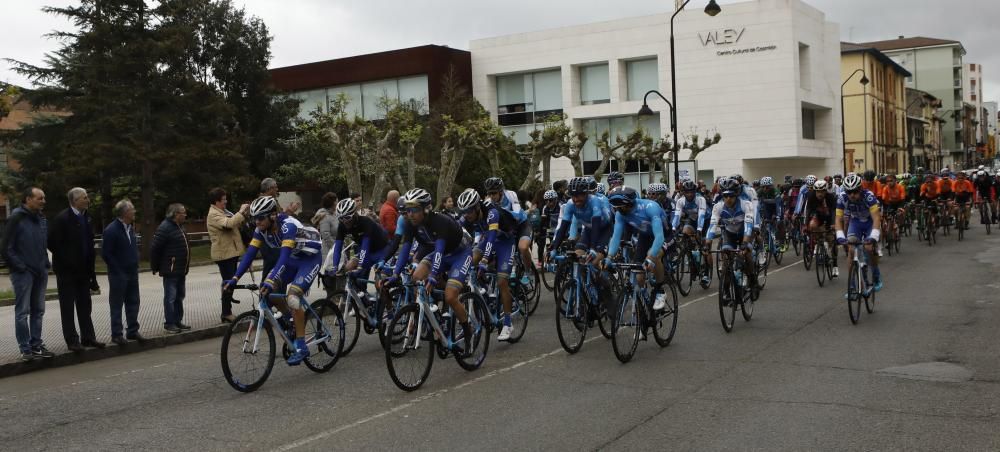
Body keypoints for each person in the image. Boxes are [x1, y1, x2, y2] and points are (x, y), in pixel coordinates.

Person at [224, 196, 323, 365]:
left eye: (260, 217)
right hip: (293, 258)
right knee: (269, 292)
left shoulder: (288, 226)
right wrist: (234, 278)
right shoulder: (261, 229)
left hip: (309, 258)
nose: (257, 222)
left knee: (292, 297)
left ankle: (302, 346)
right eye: (254, 218)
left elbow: (283, 257)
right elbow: (249, 254)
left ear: (272, 215)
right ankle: (290, 320)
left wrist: (272, 279)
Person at [385, 188, 474, 354]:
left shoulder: (440, 221)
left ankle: (468, 332)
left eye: (414, 209)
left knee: (450, 295)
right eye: (408, 209)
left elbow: (439, 250)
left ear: (426, 209)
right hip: (441, 253)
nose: (410, 214)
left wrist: (433, 275)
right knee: (416, 276)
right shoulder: (411, 224)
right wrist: (395, 274)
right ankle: (435, 315)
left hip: (459, 253)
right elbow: (405, 249)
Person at [458, 188, 519, 341]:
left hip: (505, 241)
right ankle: (483, 291)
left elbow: (491, 237)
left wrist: (485, 260)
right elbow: (457, 233)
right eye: (463, 211)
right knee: (468, 262)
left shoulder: (492, 212)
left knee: (502, 281)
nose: (467, 214)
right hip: (488, 240)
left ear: (478, 207)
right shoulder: (466, 217)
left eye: (469, 211)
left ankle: (507, 323)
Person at [48, 187, 104, 351]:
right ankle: (72, 340)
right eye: (84, 197)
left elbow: (88, 243)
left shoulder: (86, 218)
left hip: (84, 270)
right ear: (75, 201)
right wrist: (67, 261)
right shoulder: (62, 219)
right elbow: (51, 243)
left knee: (85, 305)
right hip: (67, 271)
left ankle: (88, 337)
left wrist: (91, 272)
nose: (88, 200)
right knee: (67, 306)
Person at [6, 187, 55, 361]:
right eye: (39, 198)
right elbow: (6, 248)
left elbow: (43, 243)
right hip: (23, 273)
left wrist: (46, 263)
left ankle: (36, 345)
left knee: (38, 310)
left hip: (40, 271)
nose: (43, 201)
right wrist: (21, 267)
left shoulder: (41, 218)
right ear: (28, 199)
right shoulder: (16, 218)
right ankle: (25, 348)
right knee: (23, 312)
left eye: (44, 198)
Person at [605, 186, 670, 309]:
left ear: (628, 203)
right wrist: (609, 257)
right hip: (645, 237)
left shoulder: (650, 207)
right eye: (615, 206)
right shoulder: (620, 213)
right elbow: (616, 237)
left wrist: (650, 257)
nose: (616, 209)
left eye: (619, 206)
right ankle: (646, 299)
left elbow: (659, 237)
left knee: (654, 256)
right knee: (638, 274)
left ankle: (659, 290)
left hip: (664, 235)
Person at [102, 199, 145, 345]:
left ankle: (132, 331)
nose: (134, 212)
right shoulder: (111, 230)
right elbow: (106, 254)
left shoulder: (130, 228)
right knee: (117, 304)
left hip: (132, 271)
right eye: (132, 209)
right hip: (118, 274)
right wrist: (118, 269)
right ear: (125, 212)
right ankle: (117, 334)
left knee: (133, 301)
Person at [705, 178, 755, 291]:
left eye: (731, 196)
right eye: (725, 196)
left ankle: (752, 279)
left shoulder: (746, 204)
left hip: (744, 233)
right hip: (730, 234)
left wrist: (745, 243)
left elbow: (748, 226)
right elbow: (712, 226)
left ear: (737, 195)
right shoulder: (718, 207)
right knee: (726, 259)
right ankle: (726, 290)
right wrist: (707, 243)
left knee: (746, 254)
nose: (728, 199)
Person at [207, 188, 249, 323]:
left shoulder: (223, 212)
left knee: (229, 282)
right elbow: (229, 224)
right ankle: (226, 313)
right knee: (228, 283)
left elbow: (236, 223)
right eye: (224, 199)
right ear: (216, 201)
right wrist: (241, 211)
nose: (226, 201)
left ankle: (227, 310)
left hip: (230, 253)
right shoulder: (214, 214)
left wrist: (243, 216)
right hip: (224, 255)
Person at [835, 174, 883, 291]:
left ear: (860, 189)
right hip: (855, 222)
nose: (852, 195)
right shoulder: (842, 198)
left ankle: (876, 274)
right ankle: (852, 285)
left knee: (868, 248)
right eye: (849, 192)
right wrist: (840, 236)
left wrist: (874, 236)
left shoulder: (869, 197)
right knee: (851, 250)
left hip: (869, 222)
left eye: (855, 192)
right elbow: (838, 219)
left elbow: (876, 218)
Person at [150, 203, 191, 334]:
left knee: (179, 296)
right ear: (175, 214)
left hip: (180, 269)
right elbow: (155, 248)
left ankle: (177, 320)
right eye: (183, 212)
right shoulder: (165, 227)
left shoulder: (179, 226)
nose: (185, 215)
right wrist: (155, 266)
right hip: (171, 269)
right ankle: (169, 323)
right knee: (170, 297)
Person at [803, 180, 839, 277]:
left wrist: (832, 224)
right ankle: (818, 242)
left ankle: (835, 266)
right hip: (818, 217)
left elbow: (833, 212)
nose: (819, 193)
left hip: (829, 217)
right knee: (812, 225)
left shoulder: (831, 197)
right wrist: (805, 225)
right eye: (817, 191)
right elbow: (808, 211)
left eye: (822, 191)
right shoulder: (811, 196)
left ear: (825, 191)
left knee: (832, 241)